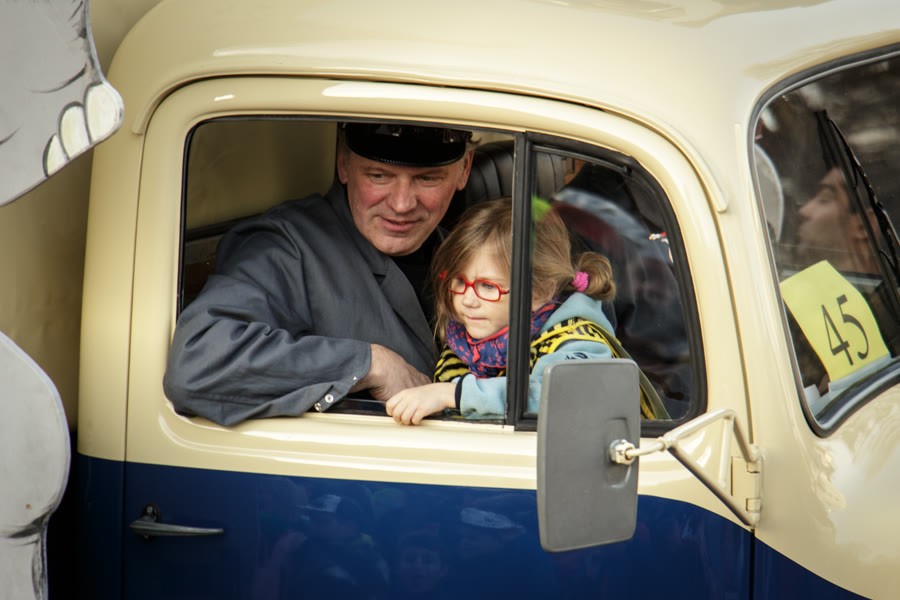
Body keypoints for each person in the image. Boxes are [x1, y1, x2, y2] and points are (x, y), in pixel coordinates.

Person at [163, 123, 474, 426]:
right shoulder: (287, 248)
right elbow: (197, 365)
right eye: (378, 176)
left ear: (464, 169)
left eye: (427, 179)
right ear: (343, 163)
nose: (402, 203)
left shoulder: (465, 254)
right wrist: (369, 363)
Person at [385, 197, 651, 425]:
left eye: (487, 286)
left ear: (540, 291)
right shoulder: (465, 343)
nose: (467, 300)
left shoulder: (577, 341)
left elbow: (561, 398)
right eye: (459, 281)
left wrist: (453, 395)